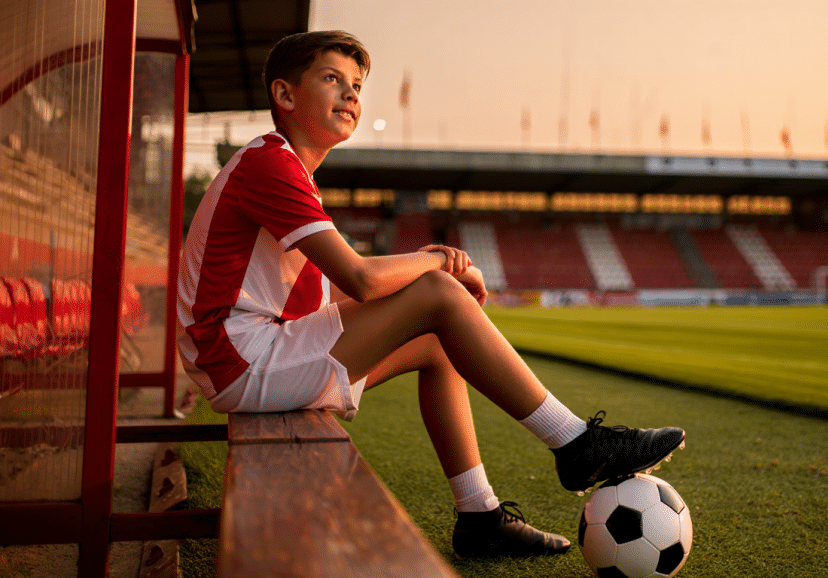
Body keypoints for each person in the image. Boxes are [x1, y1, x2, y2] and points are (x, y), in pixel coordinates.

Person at [176, 30, 684, 559]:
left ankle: (479, 515)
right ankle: (577, 443)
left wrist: (432, 275)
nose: (350, 95)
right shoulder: (270, 164)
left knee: (440, 342)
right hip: (238, 359)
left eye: (356, 85)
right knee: (438, 292)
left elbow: (348, 290)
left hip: (250, 349)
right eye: (332, 79)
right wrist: (438, 263)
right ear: (284, 95)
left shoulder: (284, 166)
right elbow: (363, 280)